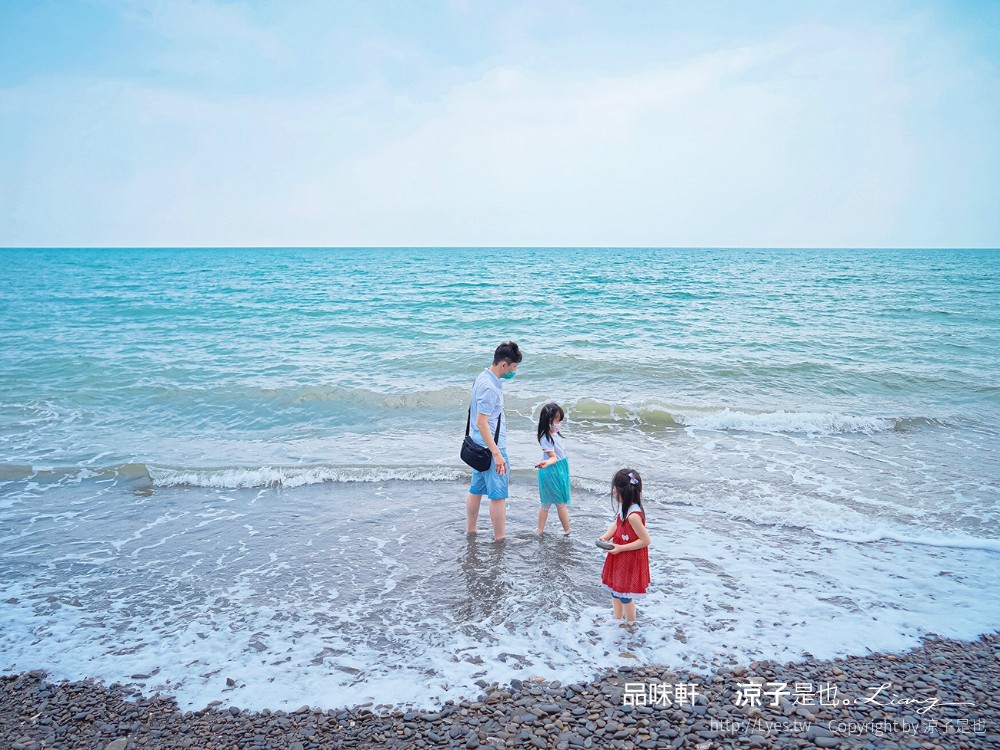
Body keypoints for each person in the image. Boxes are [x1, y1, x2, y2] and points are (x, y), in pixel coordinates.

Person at [465, 341, 522, 541]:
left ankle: (471, 531)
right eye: (514, 367)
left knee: (476, 489)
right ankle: (500, 539)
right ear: (504, 365)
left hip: (478, 446)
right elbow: (482, 422)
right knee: (498, 496)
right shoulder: (490, 387)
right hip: (491, 448)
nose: (514, 372)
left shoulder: (482, 377)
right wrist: (497, 454)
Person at [599, 468, 651, 622]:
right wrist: (606, 536)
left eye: (615, 489)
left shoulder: (634, 516)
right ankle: (617, 619)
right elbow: (617, 524)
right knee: (616, 591)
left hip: (629, 558)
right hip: (619, 555)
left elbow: (646, 540)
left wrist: (621, 548)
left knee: (625, 597)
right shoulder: (625, 507)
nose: (613, 492)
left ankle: (630, 623)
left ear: (623, 492)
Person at [534, 402, 571, 535]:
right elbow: (553, 457)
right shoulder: (546, 438)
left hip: (558, 469)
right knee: (558, 503)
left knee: (547, 504)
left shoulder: (554, 434)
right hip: (552, 471)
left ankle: (540, 530)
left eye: (559, 420)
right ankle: (567, 531)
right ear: (548, 421)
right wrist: (547, 463)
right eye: (556, 420)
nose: (558, 423)